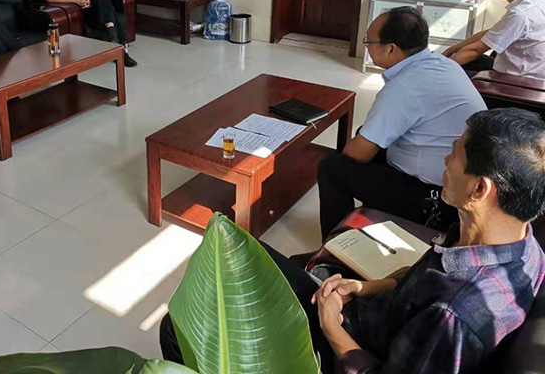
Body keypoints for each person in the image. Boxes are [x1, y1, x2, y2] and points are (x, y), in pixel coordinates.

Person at [162, 108, 545, 374]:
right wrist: (364, 287)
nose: (445, 161)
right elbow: (422, 284)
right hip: (370, 314)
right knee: (242, 253)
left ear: (480, 189)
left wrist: (331, 327)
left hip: (345, 348)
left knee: (181, 326)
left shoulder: (452, 316)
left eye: (455, 156)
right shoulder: (517, 242)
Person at [317, 7, 486, 241]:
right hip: (465, 184)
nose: (367, 47)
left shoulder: (404, 87)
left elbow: (357, 154)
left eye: (369, 42)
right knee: (366, 135)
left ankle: (335, 245)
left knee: (332, 167)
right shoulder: (443, 64)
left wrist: (346, 155)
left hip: (438, 201)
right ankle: (373, 213)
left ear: (391, 48)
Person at [444, 0, 545, 79]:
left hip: (518, 82)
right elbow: (488, 34)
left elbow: (474, 51)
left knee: (448, 76)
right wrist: (451, 50)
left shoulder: (521, 14)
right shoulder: (536, 5)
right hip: (519, 70)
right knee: (460, 60)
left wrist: (438, 67)